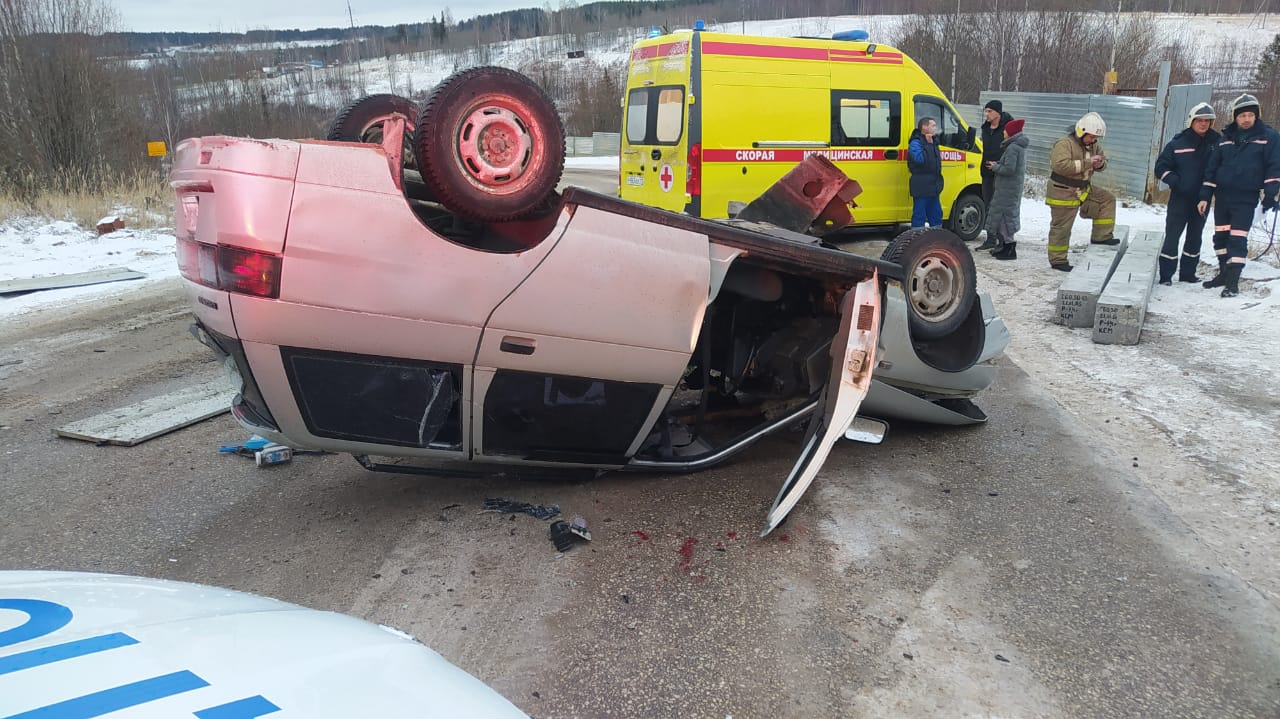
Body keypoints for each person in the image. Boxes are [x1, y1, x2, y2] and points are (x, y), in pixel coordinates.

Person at [1196, 94, 1280, 298]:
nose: (1247, 119)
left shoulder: (1268, 136)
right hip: (1222, 196)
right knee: (1221, 237)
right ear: (1235, 117)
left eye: (1251, 115)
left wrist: (1270, 194)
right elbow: (1212, 169)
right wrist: (1205, 195)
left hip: (1246, 197)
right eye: (1242, 115)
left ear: (1256, 116)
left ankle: (1233, 283)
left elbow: (1274, 167)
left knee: (1237, 239)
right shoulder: (1225, 139)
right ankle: (1224, 274)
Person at [1154, 103, 1220, 286]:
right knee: (1172, 235)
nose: (1204, 124)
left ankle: (1188, 274)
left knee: (1195, 236)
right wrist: (1177, 182)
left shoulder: (1217, 142)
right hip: (1180, 198)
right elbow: (1160, 167)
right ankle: (1166, 276)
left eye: (1207, 121)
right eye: (1200, 120)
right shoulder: (1178, 142)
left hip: (1203, 199)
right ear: (1191, 121)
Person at [1045, 111, 1119, 271]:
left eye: (1095, 138)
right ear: (1081, 132)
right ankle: (1058, 260)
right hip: (1062, 191)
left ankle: (1102, 236)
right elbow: (1060, 166)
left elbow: (1101, 161)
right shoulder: (1064, 144)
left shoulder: (1094, 145)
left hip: (1083, 188)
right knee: (1062, 227)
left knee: (1107, 199)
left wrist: (1100, 165)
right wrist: (1088, 162)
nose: (1094, 140)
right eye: (1091, 137)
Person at [982, 118, 1028, 260]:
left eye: (1005, 130)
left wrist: (995, 167)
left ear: (1011, 132)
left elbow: (1009, 169)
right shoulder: (1017, 146)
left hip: (1008, 189)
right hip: (1010, 188)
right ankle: (1004, 247)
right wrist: (999, 164)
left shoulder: (1013, 148)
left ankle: (1009, 249)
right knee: (1005, 217)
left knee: (1004, 219)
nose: (1003, 132)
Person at [977, 99, 1014, 250]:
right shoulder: (986, 128)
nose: (986, 114)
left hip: (1001, 173)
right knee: (988, 207)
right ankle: (990, 238)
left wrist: (1000, 166)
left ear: (997, 113)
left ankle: (1002, 240)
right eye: (985, 111)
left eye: (989, 111)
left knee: (1000, 208)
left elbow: (1012, 152)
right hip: (987, 172)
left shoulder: (1008, 128)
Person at [907, 116, 944, 228]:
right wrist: (928, 145)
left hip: (933, 186)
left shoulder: (934, 142)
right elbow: (920, 160)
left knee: (936, 215)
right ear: (924, 127)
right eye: (932, 125)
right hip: (921, 186)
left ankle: (937, 240)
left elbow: (935, 163)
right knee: (919, 215)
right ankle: (918, 241)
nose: (935, 128)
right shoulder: (915, 142)